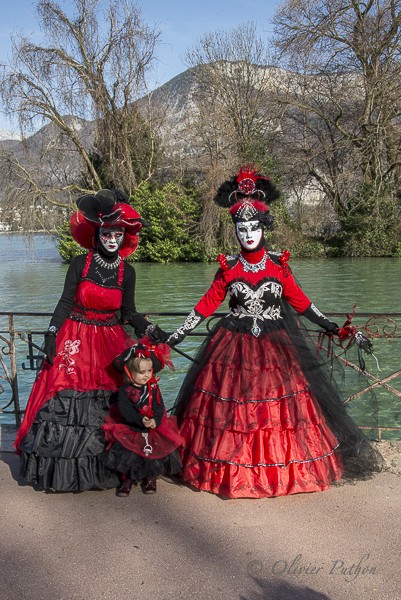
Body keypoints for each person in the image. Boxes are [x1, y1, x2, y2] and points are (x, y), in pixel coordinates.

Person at [167, 167, 381, 499]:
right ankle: (233, 471)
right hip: (233, 348)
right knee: (232, 412)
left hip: (276, 349)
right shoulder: (229, 267)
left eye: (254, 227)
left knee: (281, 414)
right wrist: (177, 333)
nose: (248, 233)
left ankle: (282, 472)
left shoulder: (278, 266)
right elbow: (208, 303)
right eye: (242, 228)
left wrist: (337, 329)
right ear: (236, 231)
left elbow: (302, 303)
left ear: (263, 228)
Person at [14, 189, 165, 492]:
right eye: (108, 233)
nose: (112, 239)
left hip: (111, 340)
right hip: (76, 338)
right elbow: (65, 303)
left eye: (118, 234)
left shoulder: (128, 272)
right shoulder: (79, 265)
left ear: (124, 237)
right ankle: (66, 471)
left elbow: (130, 312)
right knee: (65, 398)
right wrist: (52, 333)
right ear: (98, 233)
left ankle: (121, 468)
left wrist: (148, 328)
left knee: (120, 400)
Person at [101, 339, 184, 496]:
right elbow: (125, 411)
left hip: (153, 427)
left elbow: (159, 406)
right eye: (142, 372)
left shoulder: (153, 387)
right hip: (132, 426)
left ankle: (150, 478)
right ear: (129, 373)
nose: (146, 375)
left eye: (149, 371)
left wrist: (156, 420)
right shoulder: (125, 390)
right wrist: (140, 420)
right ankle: (127, 480)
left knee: (152, 453)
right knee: (129, 454)